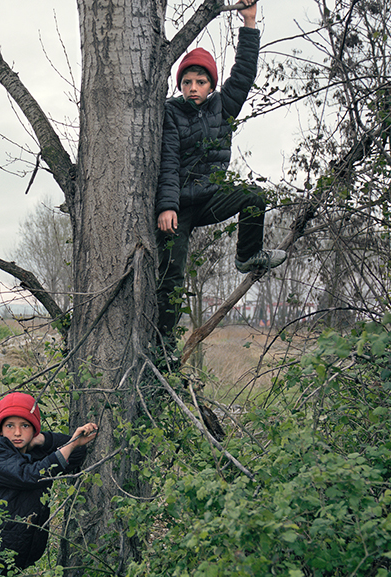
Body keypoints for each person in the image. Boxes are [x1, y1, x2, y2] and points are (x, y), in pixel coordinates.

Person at [155, 0, 286, 349]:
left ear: (211, 85)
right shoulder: (170, 113)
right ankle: (162, 347)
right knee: (171, 279)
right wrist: (166, 206)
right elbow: (168, 162)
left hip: (210, 197)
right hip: (179, 209)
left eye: (200, 81)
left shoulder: (222, 107)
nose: (192, 87)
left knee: (254, 196)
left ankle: (247, 256)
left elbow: (243, 74)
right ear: (180, 85)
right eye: (186, 81)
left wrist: (249, 22)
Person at [0, 392, 98, 577]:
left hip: (15, 556)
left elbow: (77, 455)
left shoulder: (35, 452)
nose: (17, 432)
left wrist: (43, 439)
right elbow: (31, 476)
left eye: (25, 425)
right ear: (0, 429)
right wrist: (71, 444)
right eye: (10, 426)